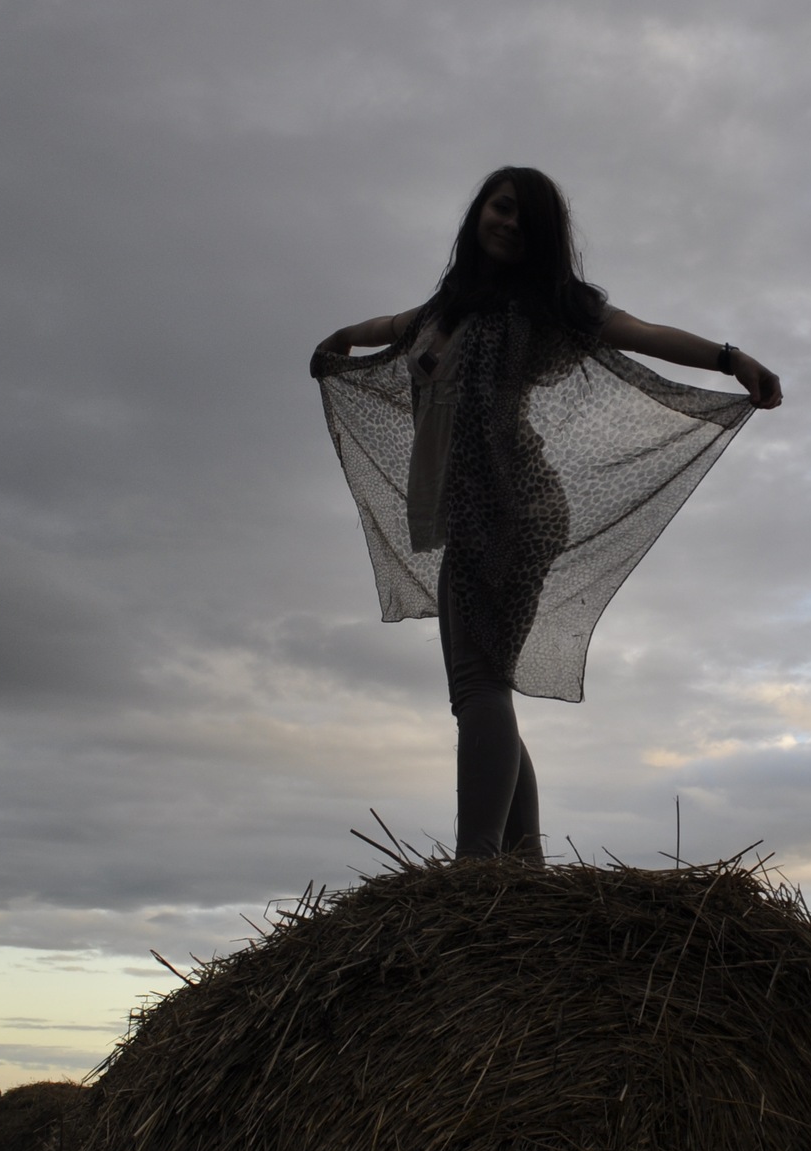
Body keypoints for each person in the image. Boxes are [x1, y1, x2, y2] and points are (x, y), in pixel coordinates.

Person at [312, 167, 782, 865]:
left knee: (479, 686)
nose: (509, 225)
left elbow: (641, 333)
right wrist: (342, 338)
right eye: (501, 208)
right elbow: (390, 327)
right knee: (482, 688)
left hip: (513, 507)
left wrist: (731, 360)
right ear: (479, 211)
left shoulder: (550, 307)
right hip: (473, 512)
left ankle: (478, 866)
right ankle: (521, 863)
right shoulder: (447, 307)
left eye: (525, 220)